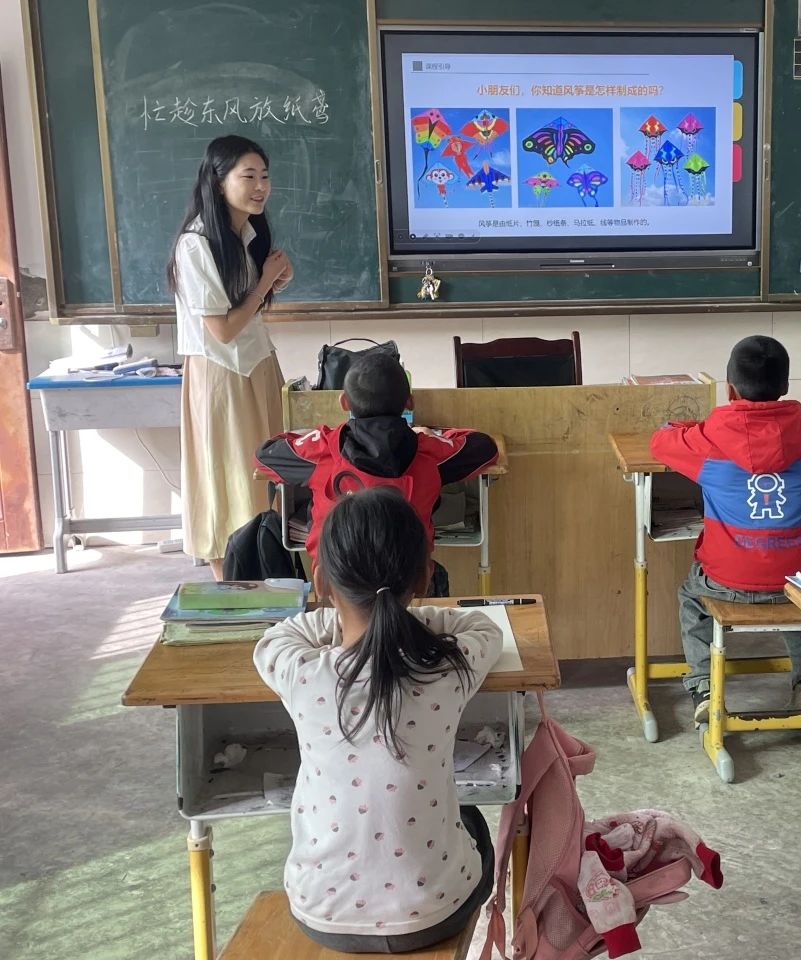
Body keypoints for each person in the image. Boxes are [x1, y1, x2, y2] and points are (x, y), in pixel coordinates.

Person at [254, 486, 500, 952]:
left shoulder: (302, 673)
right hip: (435, 914)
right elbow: (481, 626)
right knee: (471, 819)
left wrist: (340, 619)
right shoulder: (451, 669)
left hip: (320, 912)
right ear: (425, 577)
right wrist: (407, 620)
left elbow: (276, 637)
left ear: (321, 581)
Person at [650, 335, 801, 723]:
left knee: (691, 598)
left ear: (730, 389)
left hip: (725, 580)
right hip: (799, 580)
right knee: (796, 592)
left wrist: (693, 424)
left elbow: (661, 441)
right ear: (786, 386)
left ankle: (704, 685)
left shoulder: (708, 440)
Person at [167, 135, 292, 579]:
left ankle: (273, 577)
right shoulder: (195, 244)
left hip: (260, 366)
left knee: (269, 479)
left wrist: (273, 278)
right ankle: (229, 587)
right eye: (248, 176)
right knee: (227, 482)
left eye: (265, 176)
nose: (260, 187)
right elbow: (221, 329)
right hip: (221, 375)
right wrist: (265, 283)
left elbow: (247, 306)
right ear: (219, 182)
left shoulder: (249, 234)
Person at [255, 352, 498, 573]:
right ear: (409, 402)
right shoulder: (429, 451)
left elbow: (265, 454)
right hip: (407, 578)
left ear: (344, 402)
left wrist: (319, 433)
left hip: (336, 582)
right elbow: (484, 446)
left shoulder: (323, 449)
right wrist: (430, 433)